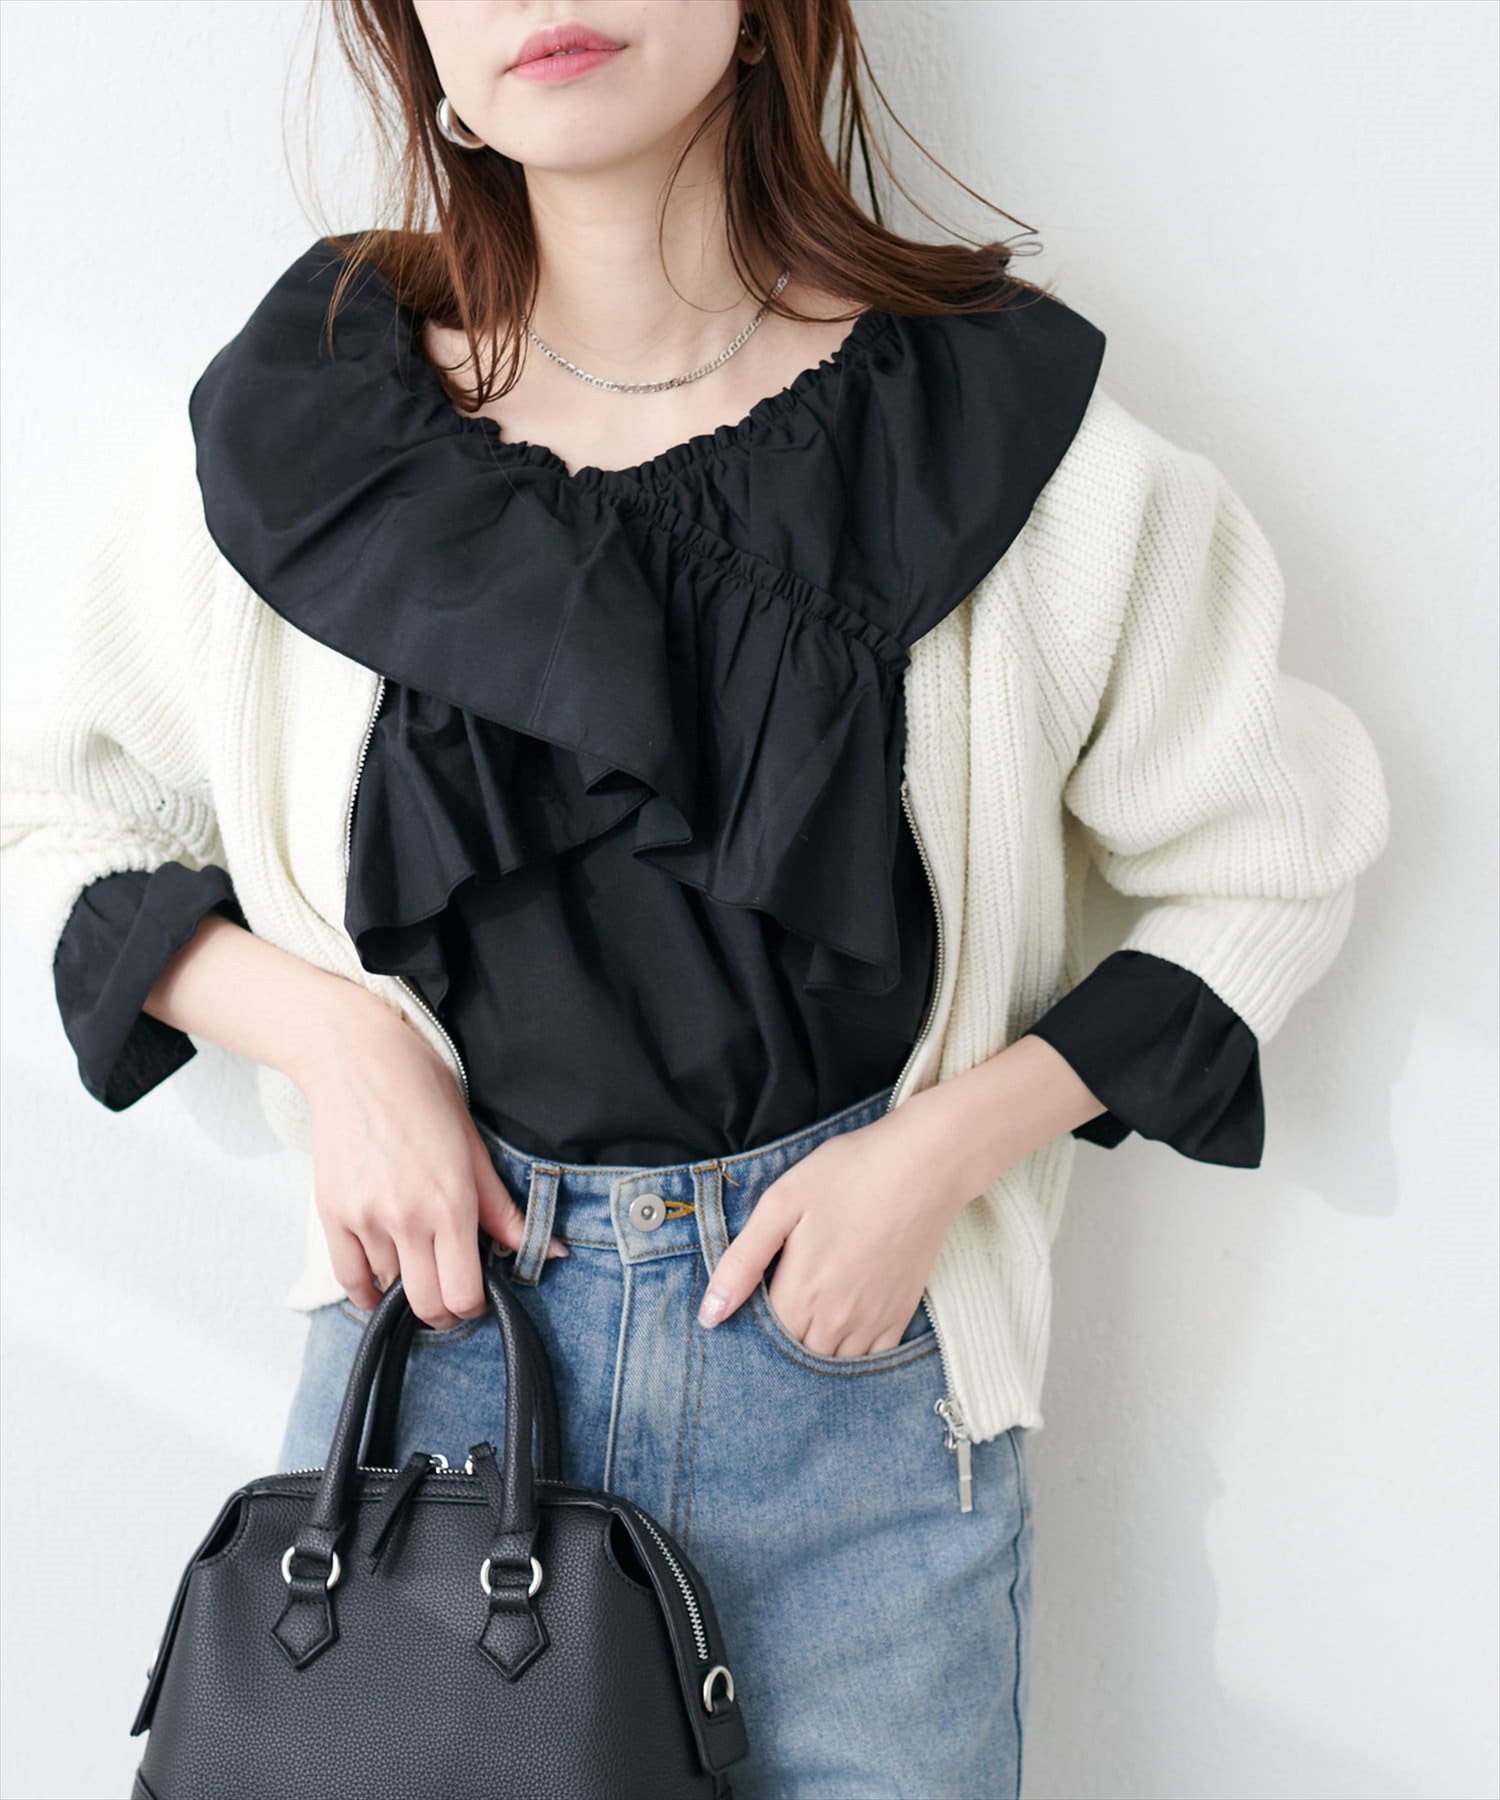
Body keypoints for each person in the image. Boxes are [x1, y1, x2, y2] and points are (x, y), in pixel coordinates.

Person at [0, 3, 1390, 1794]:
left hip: (857, 1422)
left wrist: (937, 1156)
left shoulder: (995, 448)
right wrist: (337, 1046)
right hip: (430, 1402)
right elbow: (55, 814)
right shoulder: (318, 439)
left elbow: (1273, 858)